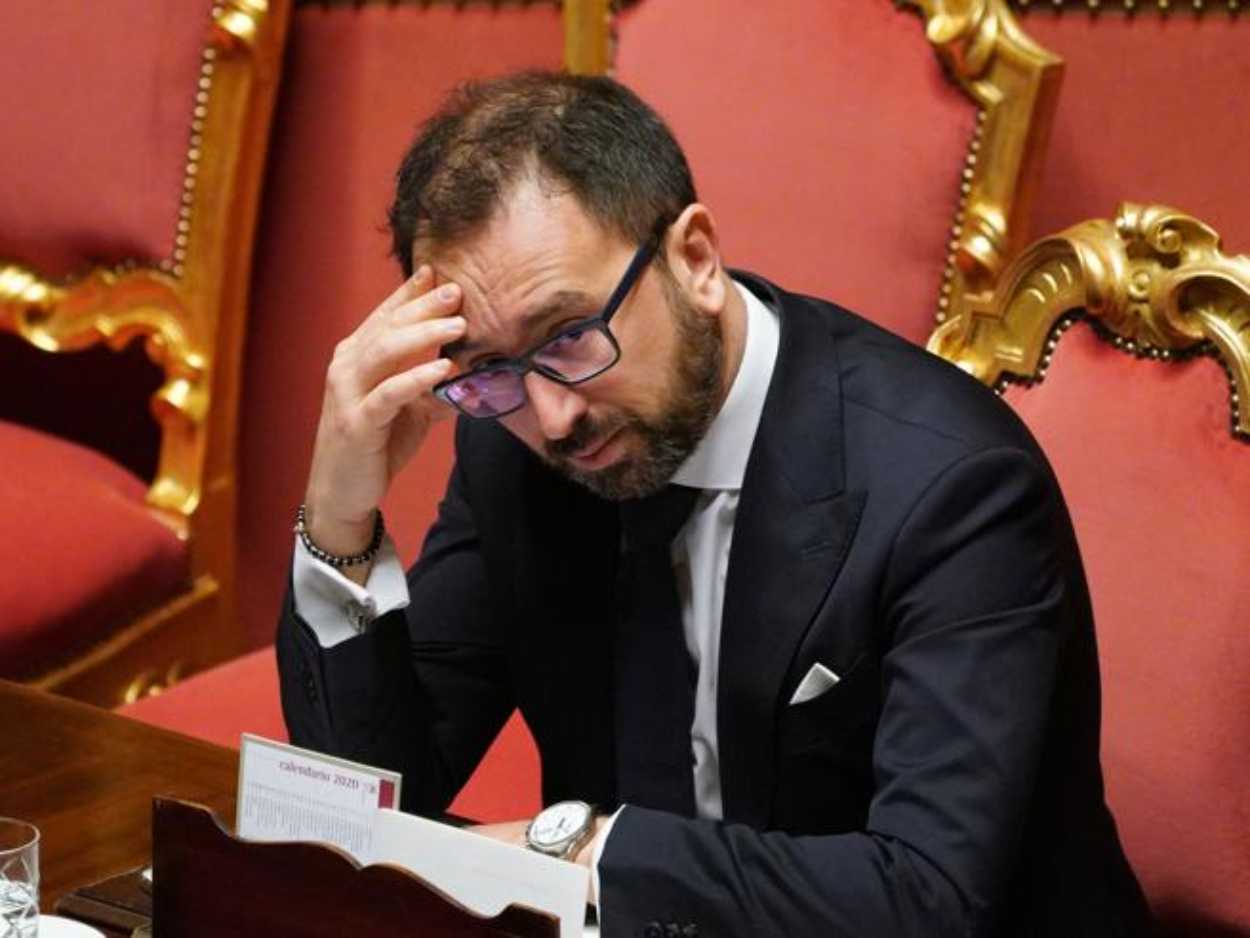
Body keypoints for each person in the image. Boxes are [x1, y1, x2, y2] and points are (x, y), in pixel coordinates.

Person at [276, 71, 1150, 937]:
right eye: (489, 371)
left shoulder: (951, 488)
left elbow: (928, 900)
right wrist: (339, 514)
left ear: (693, 259)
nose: (553, 416)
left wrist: (587, 852)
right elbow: (374, 807)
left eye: (571, 337)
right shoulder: (515, 453)